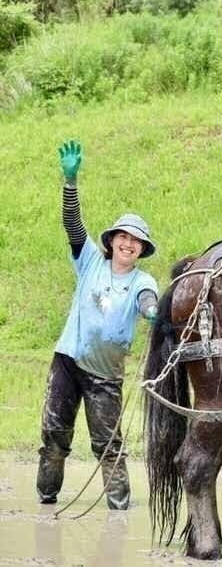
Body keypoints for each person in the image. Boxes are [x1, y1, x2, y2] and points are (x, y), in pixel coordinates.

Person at [37, 140, 159, 510]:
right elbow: (72, 225)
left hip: (106, 377)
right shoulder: (89, 260)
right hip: (68, 362)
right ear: (112, 240)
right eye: (123, 237)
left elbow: (148, 302)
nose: (129, 244)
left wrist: (153, 311)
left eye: (136, 241)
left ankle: (118, 507)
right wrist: (70, 181)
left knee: (107, 444)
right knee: (55, 436)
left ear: (141, 250)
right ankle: (47, 499)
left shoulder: (142, 282)